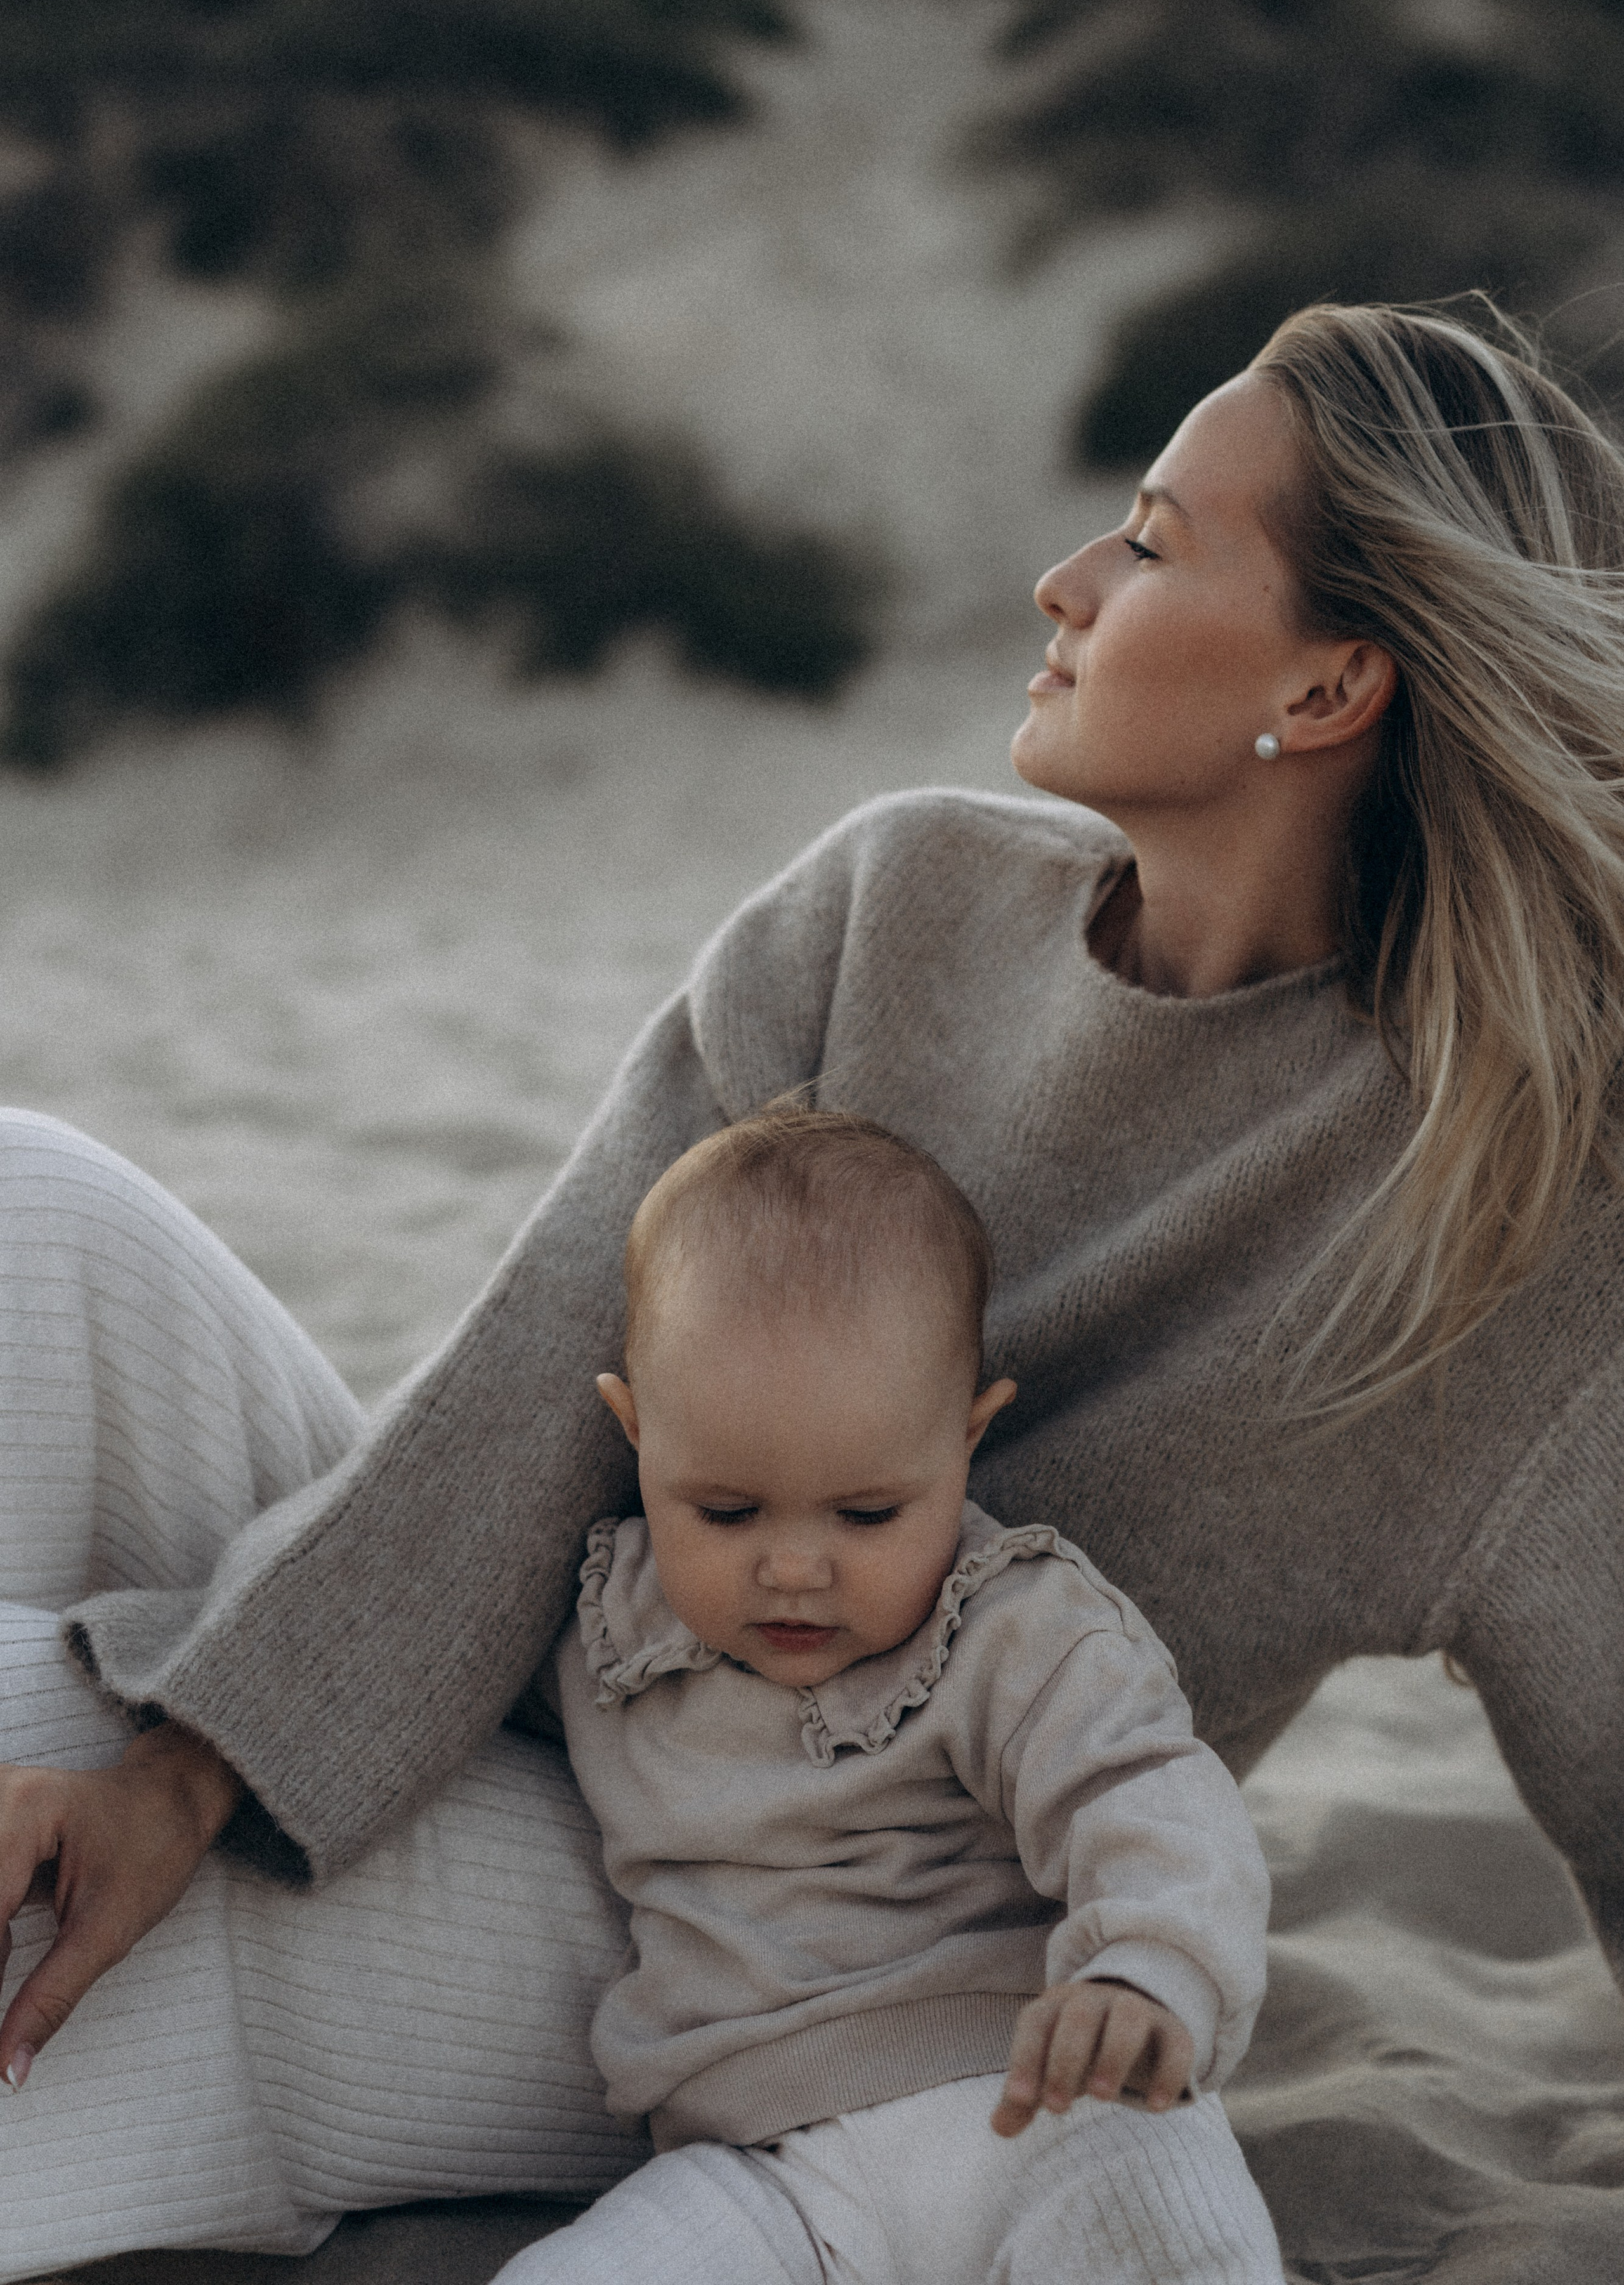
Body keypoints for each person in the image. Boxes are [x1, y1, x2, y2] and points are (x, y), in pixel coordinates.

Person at [0, 299, 1621, 2276]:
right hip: (520, 1657)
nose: (1067, 578)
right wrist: (199, 1763)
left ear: (1334, 681)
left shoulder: (1512, 1225)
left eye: (1151, 538)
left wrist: (158, 1781)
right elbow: (528, 1390)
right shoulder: (897, 903)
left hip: (785, 1942)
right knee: (35, 1208)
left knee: (20, 1731)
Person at [506, 1108, 1282, 2284]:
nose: (795, 1567)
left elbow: (1151, 1793)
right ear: (635, 1432)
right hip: (759, 2170)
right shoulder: (607, 1634)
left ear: (966, 1443)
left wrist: (1145, 1968)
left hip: (1039, 2104)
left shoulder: (1014, 1630)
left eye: (868, 1514)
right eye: (726, 1510)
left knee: (1166, 2225)